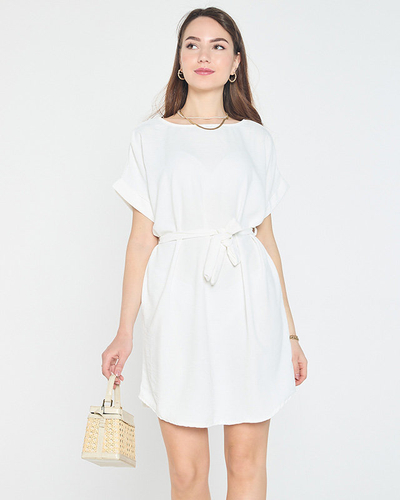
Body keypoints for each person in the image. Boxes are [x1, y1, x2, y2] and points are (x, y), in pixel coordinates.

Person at [102, 6, 307, 499]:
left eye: (218, 46)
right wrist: (124, 331)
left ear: (235, 62)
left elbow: (266, 240)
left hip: (249, 308)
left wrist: (292, 333)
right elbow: (141, 239)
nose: (203, 55)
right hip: (178, 308)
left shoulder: (256, 138)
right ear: (179, 59)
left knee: (246, 465)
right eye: (192, 44)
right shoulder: (150, 138)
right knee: (187, 475)